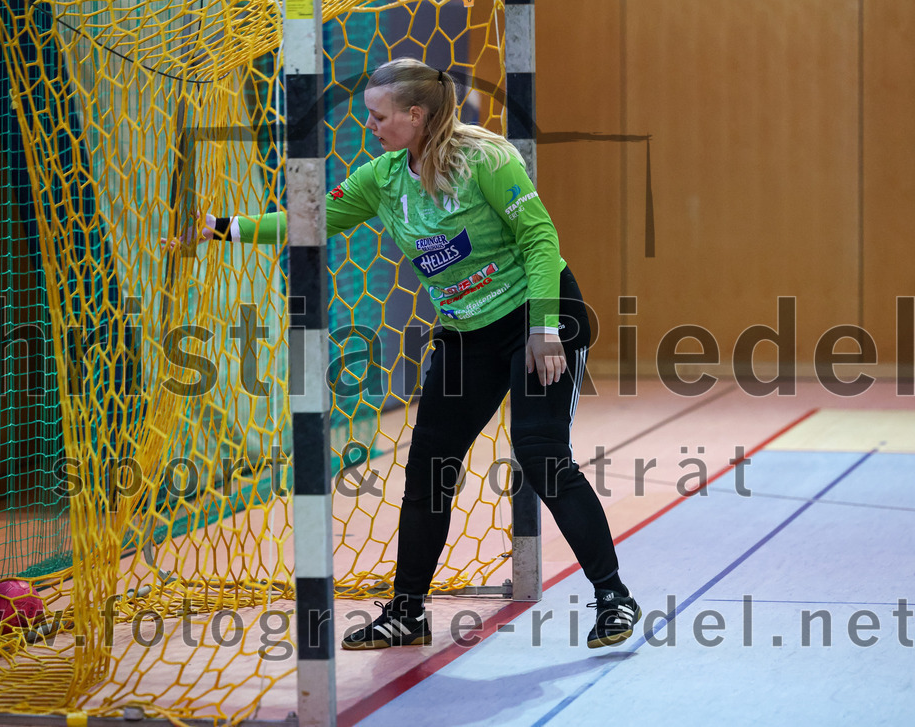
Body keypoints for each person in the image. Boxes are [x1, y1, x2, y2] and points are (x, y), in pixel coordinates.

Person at [178, 58, 641, 650]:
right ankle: (407, 612)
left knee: (541, 456)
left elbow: (540, 238)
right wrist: (219, 227)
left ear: (416, 115)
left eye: (379, 115)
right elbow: (309, 220)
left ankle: (612, 597)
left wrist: (545, 328)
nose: (370, 125)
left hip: (536, 316)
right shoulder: (383, 178)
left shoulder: (487, 160)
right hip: (466, 331)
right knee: (429, 466)